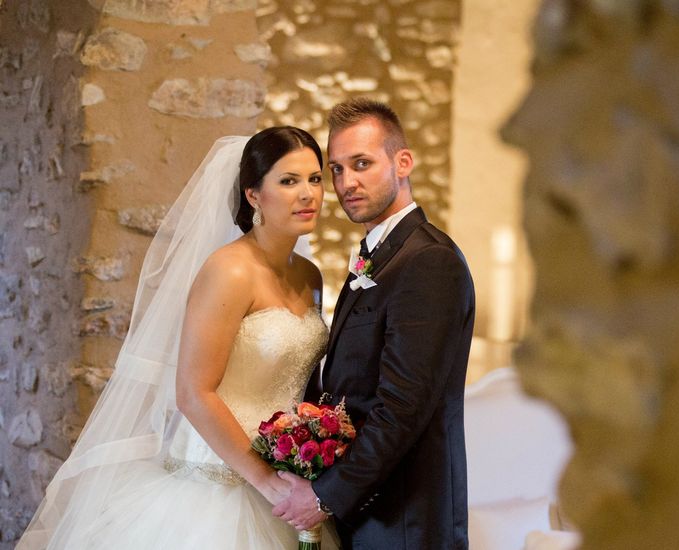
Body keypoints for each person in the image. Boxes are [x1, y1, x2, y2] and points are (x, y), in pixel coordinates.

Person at [17, 127, 336, 549]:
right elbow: (193, 392)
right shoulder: (230, 270)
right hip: (218, 482)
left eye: (315, 179)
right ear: (254, 195)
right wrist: (267, 484)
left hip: (288, 476)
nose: (308, 194)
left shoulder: (308, 275)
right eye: (289, 181)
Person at [274, 98, 476, 549]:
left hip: (403, 522)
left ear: (402, 162)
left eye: (362, 163)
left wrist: (325, 496)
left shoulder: (429, 261)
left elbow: (401, 409)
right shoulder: (378, 256)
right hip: (365, 516)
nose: (347, 182)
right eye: (338, 170)